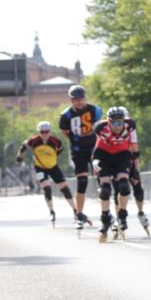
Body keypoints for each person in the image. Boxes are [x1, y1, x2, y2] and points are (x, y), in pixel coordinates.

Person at [90, 106, 140, 241]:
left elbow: (134, 148)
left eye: (120, 122)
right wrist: (94, 163)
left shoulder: (130, 126)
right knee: (105, 190)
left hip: (121, 155)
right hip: (103, 155)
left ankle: (122, 215)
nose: (118, 126)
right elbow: (94, 147)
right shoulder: (100, 128)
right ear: (108, 122)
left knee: (124, 186)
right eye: (114, 123)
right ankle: (105, 218)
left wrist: (135, 170)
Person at [16, 121, 78, 225]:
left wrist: (53, 156)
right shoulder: (34, 140)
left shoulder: (55, 141)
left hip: (53, 166)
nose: (44, 134)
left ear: (50, 131)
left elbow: (60, 149)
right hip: (40, 167)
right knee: (47, 189)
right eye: (42, 132)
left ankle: (75, 210)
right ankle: (51, 211)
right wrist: (19, 157)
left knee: (65, 189)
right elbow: (23, 147)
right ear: (39, 132)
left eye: (47, 131)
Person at [58, 84, 102, 230]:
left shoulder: (94, 110)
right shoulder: (65, 116)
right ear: (71, 100)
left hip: (94, 147)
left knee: (102, 178)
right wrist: (76, 138)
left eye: (81, 98)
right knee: (82, 180)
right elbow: (65, 132)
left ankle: (107, 211)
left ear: (85, 98)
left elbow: (100, 127)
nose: (79, 102)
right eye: (76, 99)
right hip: (78, 150)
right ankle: (79, 214)